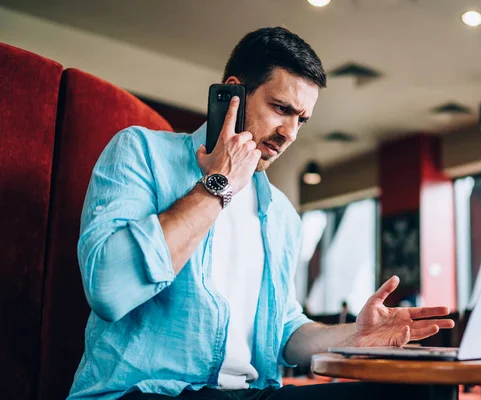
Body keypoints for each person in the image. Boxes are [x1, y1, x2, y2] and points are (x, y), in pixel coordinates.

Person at [68, 27, 454, 400]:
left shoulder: (282, 215)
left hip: (253, 393)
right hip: (146, 391)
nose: (290, 133)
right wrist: (218, 184)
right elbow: (109, 289)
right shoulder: (140, 152)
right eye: (281, 108)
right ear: (233, 94)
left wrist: (354, 337)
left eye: (301, 119)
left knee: (422, 392)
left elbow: (284, 330)